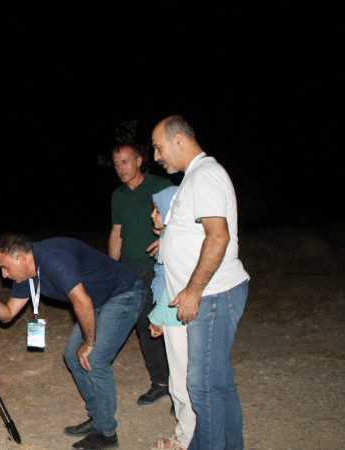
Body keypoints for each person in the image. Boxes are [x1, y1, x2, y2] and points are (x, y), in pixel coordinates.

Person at [0, 234, 145, 450]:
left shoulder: (53, 258)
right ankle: (97, 418)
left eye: (5, 268)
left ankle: (107, 433)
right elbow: (7, 315)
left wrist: (89, 343)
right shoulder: (26, 276)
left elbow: (81, 301)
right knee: (73, 357)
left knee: (95, 359)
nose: (4, 275)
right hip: (98, 301)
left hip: (123, 293)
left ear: (21, 258)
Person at [152, 115, 249, 449]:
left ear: (178, 140)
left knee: (203, 384)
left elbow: (217, 236)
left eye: (158, 147)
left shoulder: (205, 175)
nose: (156, 156)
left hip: (214, 294)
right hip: (211, 294)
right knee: (218, 382)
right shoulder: (193, 177)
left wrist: (193, 290)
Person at [109, 143, 174, 406]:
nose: (120, 168)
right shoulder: (119, 195)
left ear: (138, 160)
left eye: (124, 161)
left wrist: (168, 238)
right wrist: (111, 270)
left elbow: (184, 219)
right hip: (130, 270)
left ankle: (183, 388)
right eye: (116, 164)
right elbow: (116, 233)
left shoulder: (161, 185)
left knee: (171, 327)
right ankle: (161, 383)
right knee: (146, 328)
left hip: (160, 267)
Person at [147, 185, 194, 450]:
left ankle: (186, 439)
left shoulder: (176, 242)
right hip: (176, 317)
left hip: (177, 318)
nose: (153, 216)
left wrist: (158, 318)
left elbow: (173, 286)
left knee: (181, 381)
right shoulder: (172, 239)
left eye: (157, 210)